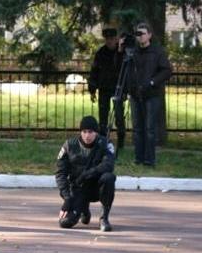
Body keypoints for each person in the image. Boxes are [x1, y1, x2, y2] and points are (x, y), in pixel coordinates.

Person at [123, 22, 172, 167]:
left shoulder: (157, 52)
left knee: (150, 128)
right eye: (137, 34)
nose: (140, 37)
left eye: (143, 33)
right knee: (137, 128)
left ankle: (149, 160)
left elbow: (167, 70)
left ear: (149, 35)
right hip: (135, 94)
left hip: (152, 94)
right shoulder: (132, 52)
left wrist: (152, 82)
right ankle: (138, 158)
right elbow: (125, 69)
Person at [56, 115, 116, 232]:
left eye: (90, 132)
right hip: (78, 189)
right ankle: (84, 209)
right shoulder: (69, 145)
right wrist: (67, 198)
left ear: (96, 132)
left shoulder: (105, 144)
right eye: (84, 132)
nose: (87, 135)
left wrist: (87, 174)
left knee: (109, 178)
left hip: (97, 188)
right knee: (65, 223)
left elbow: (108, 165)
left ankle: (104, 218)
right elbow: (60, 174)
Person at [88, 27, 125, 153]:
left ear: (116, 39)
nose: (109, 41)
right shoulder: (101, 53)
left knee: (119, 116)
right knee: (103, 117)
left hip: (118, 89)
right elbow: (94, 71)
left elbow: (125, 71)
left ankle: (121, 142)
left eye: (112, 39)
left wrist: (125, 90)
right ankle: (103, 141)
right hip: (104, 88)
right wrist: (92, 89)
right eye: (107, 39)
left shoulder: (121, 52)